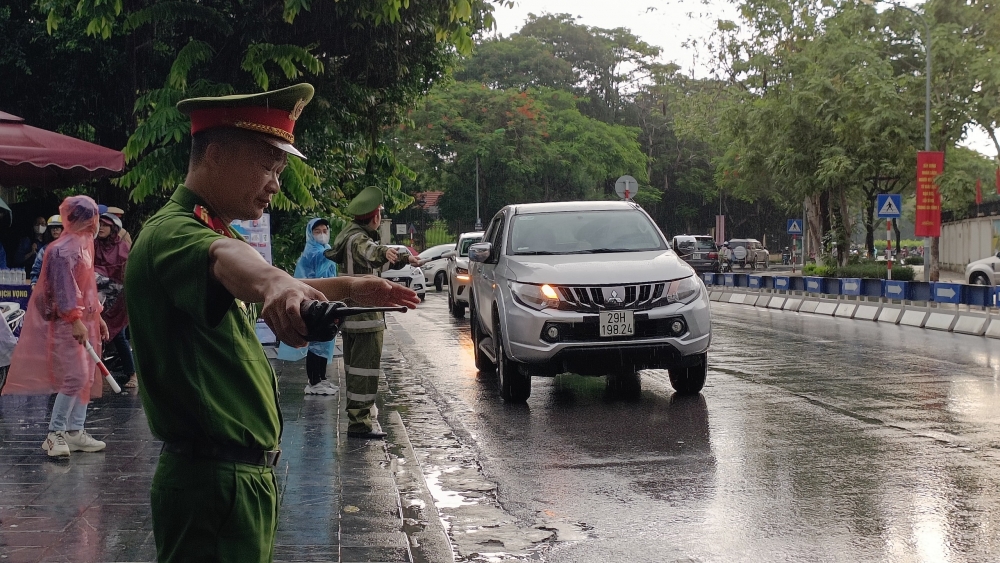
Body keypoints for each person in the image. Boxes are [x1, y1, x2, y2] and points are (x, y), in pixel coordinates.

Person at [125, 83, 419, 563]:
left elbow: (250, 274)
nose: (276, 184)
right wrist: (275, 287)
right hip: (214, 484)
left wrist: (348, 288)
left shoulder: (207, 229)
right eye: (268, 166)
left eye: (279, 170)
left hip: (235, 480)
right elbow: (239, 266)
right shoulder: (176, 234)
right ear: (215, 155)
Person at [2, 196, 110, 457]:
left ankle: (75, 431)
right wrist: (74, 319)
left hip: (83, 321)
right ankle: (55, 433)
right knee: (74, 377)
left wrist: (97, 317)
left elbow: (86, 287)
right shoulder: (63, 249)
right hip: (67, 323)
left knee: (85, 377)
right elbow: (63, 289)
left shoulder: (84, 245)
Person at [326, 186, 420, 440]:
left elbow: (373, 257)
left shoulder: (348, 235)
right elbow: (372, 252)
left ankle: (360, 417)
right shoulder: (359, 239)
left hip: (352, 315)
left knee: (355, 370)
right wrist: (388, 252)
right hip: (366, 317)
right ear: (375, 215)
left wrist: (403, 257)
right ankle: (360, 422)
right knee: (364, 372)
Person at [285, 217, 339, 395]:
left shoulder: (326, 250)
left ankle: (322, 378)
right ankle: (314, 381)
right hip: (313, 303)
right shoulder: (312, 252)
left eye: (325, 231)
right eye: (317, 231)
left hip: (326, 302)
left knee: (325, 340)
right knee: (316, 342)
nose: (322, 234)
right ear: (310, 234)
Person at [94, 212, 136, 388]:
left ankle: (132, 374)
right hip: (95, 299)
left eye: (105, 225)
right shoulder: (92, 245)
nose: (101, 228)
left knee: (118, 336)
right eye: (99, 224)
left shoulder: (122, 247)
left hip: (118, 301)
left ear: (113, 228)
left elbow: (128, 273)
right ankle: (96, 376)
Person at [30, 215, 64, 286]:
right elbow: (36, 269)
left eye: (57, 228)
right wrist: (34, 283)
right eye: (52, 228)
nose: (55, 230)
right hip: (48, 288)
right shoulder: (45, 250)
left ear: (63, 229)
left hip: (65, 288)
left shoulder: (69, 249)